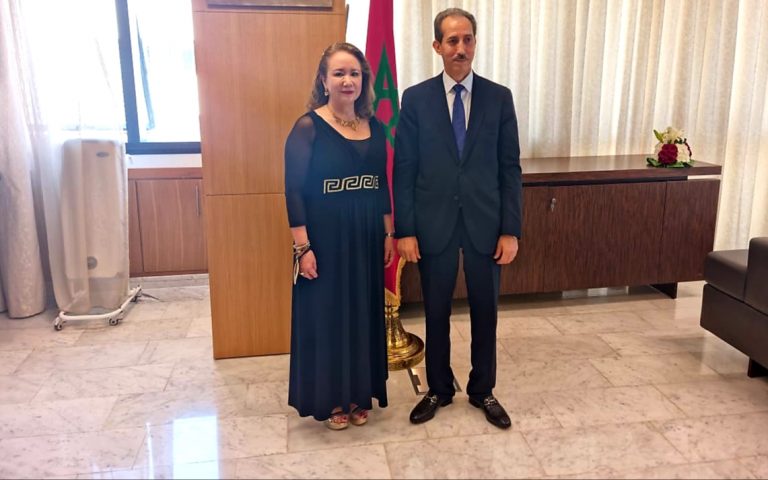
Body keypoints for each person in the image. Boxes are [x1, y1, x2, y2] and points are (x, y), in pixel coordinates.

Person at [393, 8, 522, 429]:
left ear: (475, 43)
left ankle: (483, 389)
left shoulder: (499, 97)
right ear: (437, 46)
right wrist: (405, 230)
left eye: (467, 39)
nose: (460, 48)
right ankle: (439, 388)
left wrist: (511, 229)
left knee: (486, 310)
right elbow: (405, 168)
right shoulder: (415, 99)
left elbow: (510, 168)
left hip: (486, 223)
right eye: (452, 41)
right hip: (434, 223)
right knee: (436, 311)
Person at [284, 42, 395, 430]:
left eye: (355, 74)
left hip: (366, 236)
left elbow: (381, 184)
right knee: (327, 316)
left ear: (364, 80)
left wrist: (388, 232)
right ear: (323, 80)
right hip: (324, 240)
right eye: (339, 73)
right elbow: (293, 190)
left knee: (361, 314)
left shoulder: (375, 127)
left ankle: (358, 393)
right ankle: (331, 398)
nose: (348, 81)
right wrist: (303, 248)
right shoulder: (307, 127)